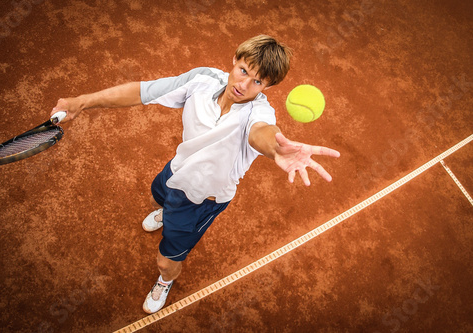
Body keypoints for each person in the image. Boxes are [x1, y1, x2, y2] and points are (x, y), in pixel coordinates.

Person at [50, 35, 340, 314]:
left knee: (166, 261)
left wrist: (278, 150)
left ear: (267, 86)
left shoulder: (258, 113)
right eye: (243, 71)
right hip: (176, 171)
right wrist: (82, 102)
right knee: (157, 198)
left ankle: (165, 281)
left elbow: (261, 134)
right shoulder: (202, 79)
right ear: (235, 60)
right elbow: (143, 91)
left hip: (201, 201)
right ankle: (165, 211)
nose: (244, 84)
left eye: (258, 81)